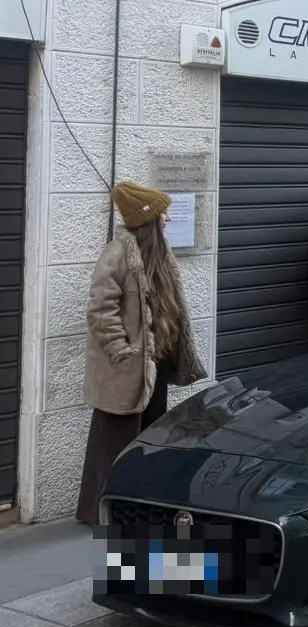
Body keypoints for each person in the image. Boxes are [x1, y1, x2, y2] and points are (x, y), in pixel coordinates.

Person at [76, 182, 205, 524]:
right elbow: (100, 310)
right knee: (113, 443)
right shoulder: (117, 253)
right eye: (163, 213)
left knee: (148, 438)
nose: (167, 218)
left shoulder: (160, 253)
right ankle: (97, 512)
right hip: (126, 366)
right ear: (149, 218)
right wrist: (121, 350)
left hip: (156, 362)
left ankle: (136, 505)